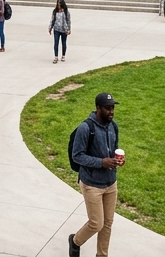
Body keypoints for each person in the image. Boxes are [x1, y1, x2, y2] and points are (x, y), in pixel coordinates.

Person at [67, 92, 122, 257]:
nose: (111, 112)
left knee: (107, 223)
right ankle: (75, 241)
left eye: (112, 108)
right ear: (98, 108)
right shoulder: (86, 128)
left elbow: (114, 148)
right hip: (91, 184)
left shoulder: (113, 126)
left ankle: (102, 255)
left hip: (110, 183)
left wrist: (117, 160)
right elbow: (77, 155)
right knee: (96, 223)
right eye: (107, 108)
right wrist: (101, 162)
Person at [48, 0, 72, 64]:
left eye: (60, 4)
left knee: (64, 43)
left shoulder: (66, 12)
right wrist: (50, 28)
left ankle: (63, 55)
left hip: (64, 30)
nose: (58, 6)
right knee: (56, 43)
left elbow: (68, 21)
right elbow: (52, 19)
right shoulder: (55, 11)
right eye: (58, 4)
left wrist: (69, 29)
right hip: (56, 29)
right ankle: (56, 57)